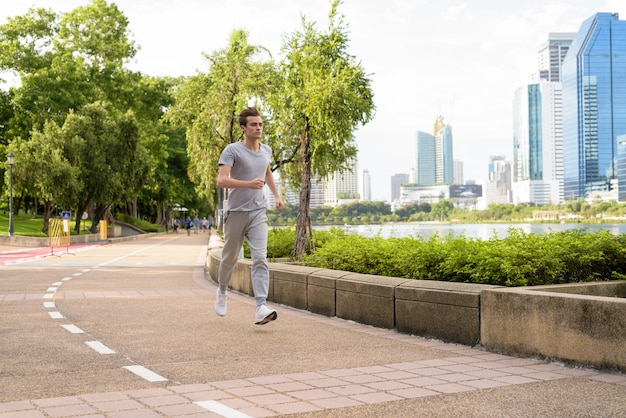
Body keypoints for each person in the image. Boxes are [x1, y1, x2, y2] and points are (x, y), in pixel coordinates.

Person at [214, 107, 284, 325]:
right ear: (243, 128)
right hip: (236, 212)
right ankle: (222, 291)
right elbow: (221, 180)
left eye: (261, 124)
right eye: (254, 124)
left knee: (260, 258)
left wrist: (276, 195)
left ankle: (261, 307)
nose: (258, 128)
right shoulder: (232, 151)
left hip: (258, 212)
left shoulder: (266, 150)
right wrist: (248, 184)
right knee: (229, 258)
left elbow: (266, 171)